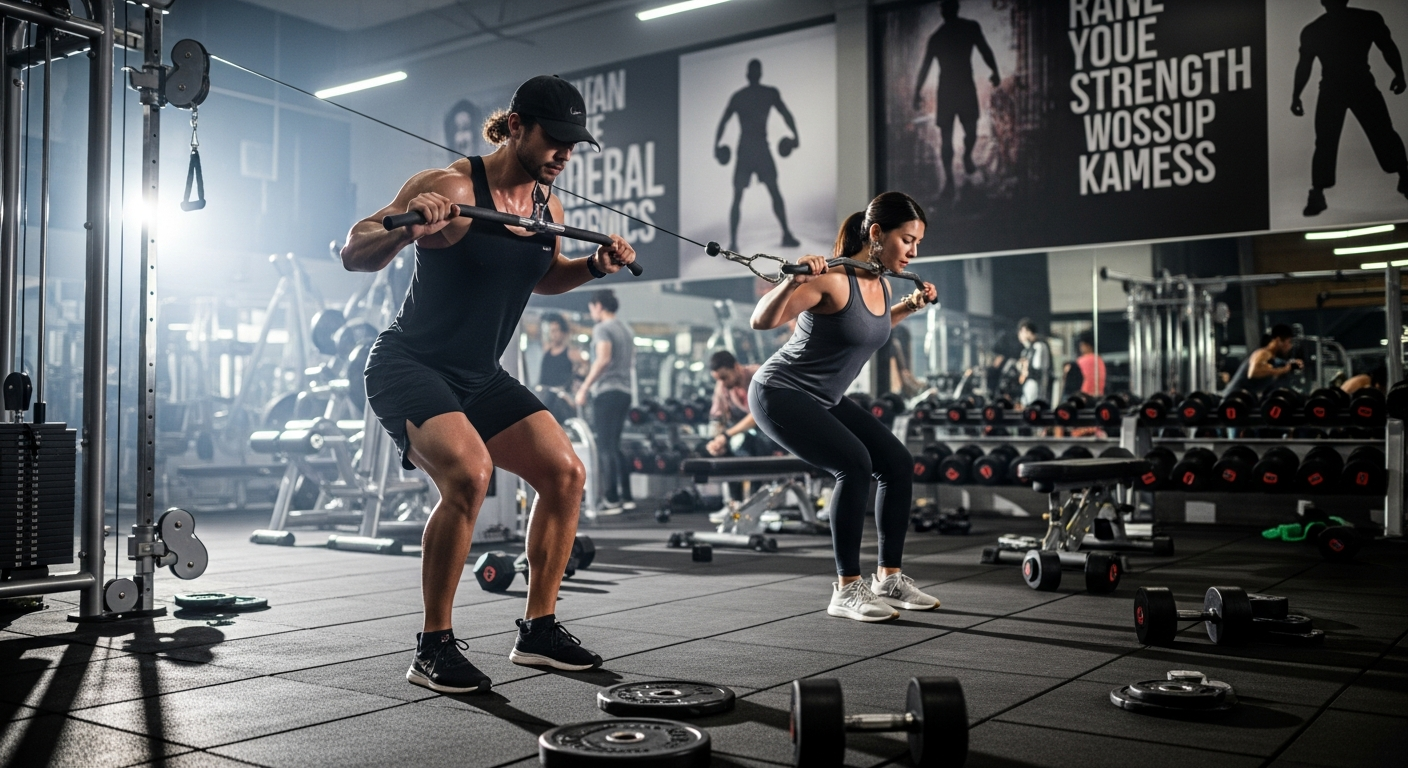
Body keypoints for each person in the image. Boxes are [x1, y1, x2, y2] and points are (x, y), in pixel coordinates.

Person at [343, 75, 637, 694]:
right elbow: (354, 249)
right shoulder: (451, 185)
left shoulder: (547, 206)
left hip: (481, 375)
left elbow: (541, 276)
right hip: (410, 364)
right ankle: (433, 646)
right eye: (554, 139)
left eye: (573, 144)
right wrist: (407, 227)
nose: (564, 153)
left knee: (566, 475)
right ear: (517, 126)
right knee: (470, 474)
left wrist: (591, 267)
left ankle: (538, 630)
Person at [748, 191, 940, 623]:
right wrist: (792, 282)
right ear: (876, 234)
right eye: (907, 240)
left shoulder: (882, 283)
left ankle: (888, 577)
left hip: (825, 398)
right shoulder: (832, 278)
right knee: (853, 464)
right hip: (780, 392)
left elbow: (865, 330)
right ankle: (847, 588)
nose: (913, 251)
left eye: (918, 243)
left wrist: (908, 307)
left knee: (895, 461)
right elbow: (761, 321)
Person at [1291, 0, 1408, 216]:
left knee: (1376, 133)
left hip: (1344, 87)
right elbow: (1387, 45)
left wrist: (1296, 96)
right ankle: (1404, 176)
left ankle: (1318, 193)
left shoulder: (1317, 29)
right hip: (1351, 86)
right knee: (1376, 133)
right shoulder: (1364, 20)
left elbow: (1387, 46)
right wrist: (1398, 73)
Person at [913, 0, 1001, 196]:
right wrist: (916, 92)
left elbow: (985, 49)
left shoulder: (969, 28)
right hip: (947, 90)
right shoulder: (937, 37)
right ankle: (949, 181)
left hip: (963, 87)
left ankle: (967, 155)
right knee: (946, 138)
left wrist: (995, 70)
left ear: (954, 8)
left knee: (971, 131)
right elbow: (925, 66)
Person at [715, 59, 801, 252]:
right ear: (759, 74)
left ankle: (782, 234)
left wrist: (716, 145)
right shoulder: (765, 94)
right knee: (761, 193)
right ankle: (736, 241)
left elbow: (723, 122)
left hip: (751, 149)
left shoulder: (743, 96)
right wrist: (796, 136)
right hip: (755, 149)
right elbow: (786, 114)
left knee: (764, 193)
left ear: (748, 75)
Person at [575, 289, 635, 512]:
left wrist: (584, 387)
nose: (592, 313)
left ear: (598, 305)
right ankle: (626, 497)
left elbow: (603, 360)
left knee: (605, 447)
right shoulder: (626, 329)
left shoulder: (602, 328)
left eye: (592, 308)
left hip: (607, 391)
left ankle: (611, 499)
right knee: (615, 445)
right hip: (625, 391)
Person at [705, 350, 761, 457]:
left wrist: (726, 436)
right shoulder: (722, 386)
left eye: (724, 377)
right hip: (744, 437)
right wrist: (715, 443)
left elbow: (759, 415)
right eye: (718, 379)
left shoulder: (759, 376)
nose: (722, 383)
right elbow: (716, 418)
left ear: (736, 367)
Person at [1224, 324, 1303, 396]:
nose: (1290, 346)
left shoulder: (1273, 360)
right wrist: (1284, 369)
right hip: (1233, 400)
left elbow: (1277, 367)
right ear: (1278, 340)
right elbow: (1253, 372)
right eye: (1289, 342)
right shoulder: (1263, 353)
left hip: (1247, 400)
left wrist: (1292, 365)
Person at [537, 312, 582, 391]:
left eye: (556, 330)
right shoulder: (547, 350)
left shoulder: (571, 352)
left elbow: (584, 368)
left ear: (563, 332)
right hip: (544, 393)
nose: (554, 334)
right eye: (552, 331)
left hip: (561, 395)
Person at [1016, 318, 1051, 407]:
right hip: (1027, 384)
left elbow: (1037, 367)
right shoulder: (1027, 350)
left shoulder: (1039, 346)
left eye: (1022, 331)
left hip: (1035, 384)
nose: (1020, 335)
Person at [1075, 331, 1106, 396]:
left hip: (1084, 395)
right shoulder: (1100, 360)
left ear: (1088, 346)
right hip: (1099, 394)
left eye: (1082, 345)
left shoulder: (1082, 360)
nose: (1080, 348)